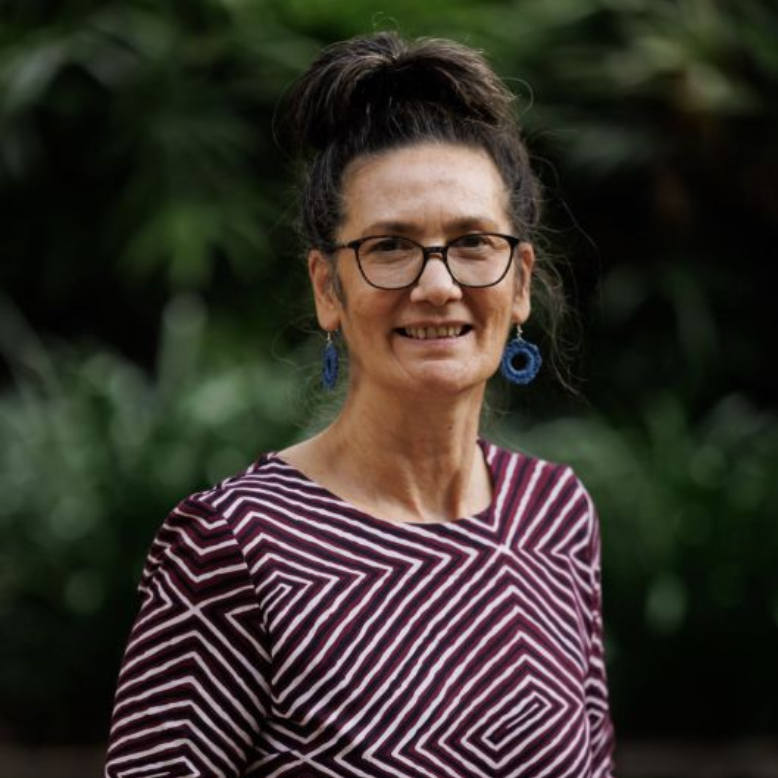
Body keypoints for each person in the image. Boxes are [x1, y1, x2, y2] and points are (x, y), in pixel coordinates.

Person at [104, 31, 615, 778]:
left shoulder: (555, 514)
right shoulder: (235, 548)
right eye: (389, 247)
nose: (438, 285)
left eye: (473, 242)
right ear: (326, 288)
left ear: (519, 281)